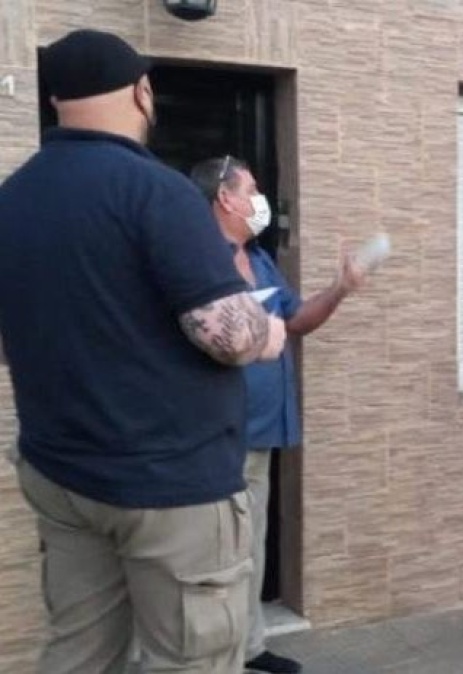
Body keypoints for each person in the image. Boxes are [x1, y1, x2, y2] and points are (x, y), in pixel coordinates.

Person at [0, 29, 286, 674]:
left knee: (79, 650)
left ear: (56, 101)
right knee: (190, 658)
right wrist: (269, 333)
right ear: (142, 92)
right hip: (168, 483)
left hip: (61, 472)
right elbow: (230, 335)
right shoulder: (155, 190)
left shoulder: (12, 199)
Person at [190, 155, 366, 674]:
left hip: (262, 431)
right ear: (225, 198)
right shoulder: (199, 261)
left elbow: (296, 320)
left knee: (252, 543)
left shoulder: (260, 260)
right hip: (216, 433)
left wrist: (340, 288)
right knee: (215, 550)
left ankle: (250, 647)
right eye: (252, 190)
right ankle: (212, 653)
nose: (260, 200)